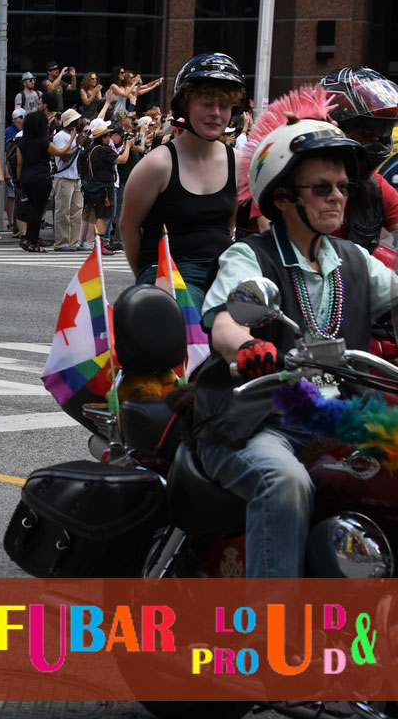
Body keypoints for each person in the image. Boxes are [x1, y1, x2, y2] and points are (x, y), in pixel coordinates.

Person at [194, 109, 391, 578]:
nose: (338, 197)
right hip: (258, 419)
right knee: (285, 482)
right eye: (322, 188)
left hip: (340, 419)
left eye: (344, 187)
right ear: (282, 198)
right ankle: (273, 633)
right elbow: (224, 321)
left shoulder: (355, 260)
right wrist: (244, 346)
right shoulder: (251, 256)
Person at [119, 53, 244, 310]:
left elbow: (228, 226)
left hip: (222, 275)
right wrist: (148, 278)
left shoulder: (240, 164)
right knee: (185, 314)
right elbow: (129, 227)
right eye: (206, 103)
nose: (216, 113)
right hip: (166, 277)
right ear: (185, 105)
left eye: (224, 105)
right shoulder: (157, 164)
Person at [318, 66, 398, 254]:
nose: (376, 137)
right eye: (368, 128)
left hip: (352, 280)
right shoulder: (290, 180)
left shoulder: (376, 187)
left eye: (383, 128)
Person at [15, 110, 53, 253]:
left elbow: (19, 164)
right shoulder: (43, 141)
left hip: (26, 178)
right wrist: (72, 142)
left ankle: (27, 238)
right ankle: (33, 242)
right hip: (42, 177)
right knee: (38, 210)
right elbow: (61, 153)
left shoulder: (22, 142)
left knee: (32, 209)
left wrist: (18, 181)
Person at [85, 122, 123, 255]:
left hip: (96, 186)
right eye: (108, 135)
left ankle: (99, 243)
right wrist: (128, 146)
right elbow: (122, 159)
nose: (110, 137)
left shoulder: (93, 149)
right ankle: (99, 245)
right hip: (105, 187)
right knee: (103, 216)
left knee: (100, 216)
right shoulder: (104, 150)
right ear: (103, 137)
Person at [50, 109, 83, 251]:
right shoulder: (60, 137)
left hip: (76, 176)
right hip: (64, 177)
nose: (79, 122)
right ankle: (62, 242)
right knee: (63, 210)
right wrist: (77, 144)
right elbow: (64, 156)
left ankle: (74, 242)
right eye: (77, 120)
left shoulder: (75, 136)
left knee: (77, 210)